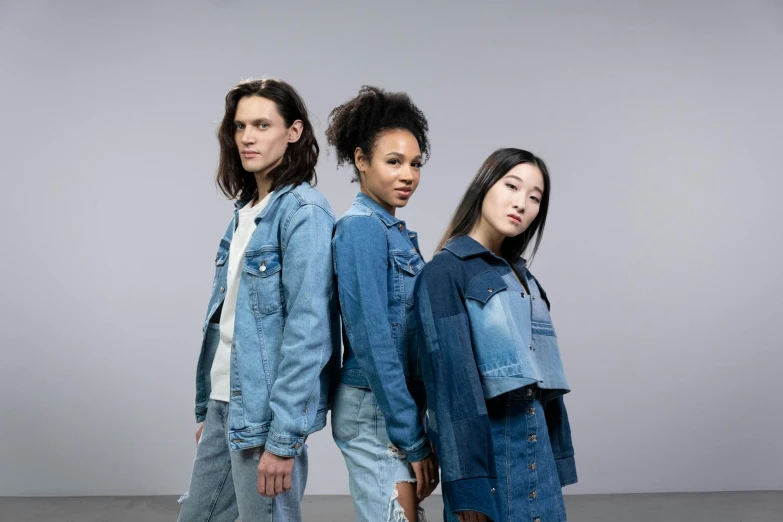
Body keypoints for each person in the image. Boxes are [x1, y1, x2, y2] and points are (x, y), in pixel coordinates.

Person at [178, 78, 340, 522]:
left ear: (294, 131)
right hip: (226, 401)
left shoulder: (304, 212)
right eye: (240, 126)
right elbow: (227, 322)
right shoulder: (245, 211)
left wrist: (283, 439)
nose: (247, 137)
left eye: (262, 124)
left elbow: (309, 332)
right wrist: (210, 411)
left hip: (267, 413)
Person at [415, 148, 577, 522]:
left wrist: (556, 459)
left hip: (539, 462)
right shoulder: (445, 272)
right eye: (512, 186)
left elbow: (545, 386)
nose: (521, 203)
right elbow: (451, 391)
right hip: (492, 463)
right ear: (485, 185)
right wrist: (468, 490)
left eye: (535, 198)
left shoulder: (524, 277)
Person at [326, 86, 439, 522]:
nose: (407, 174)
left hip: (393, 405)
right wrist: (412, 438)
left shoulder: (394, 231)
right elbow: (374, 342)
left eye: (415, 164)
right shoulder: (361, 229)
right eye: (394, 162)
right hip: (373, 408)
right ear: (360, 160)